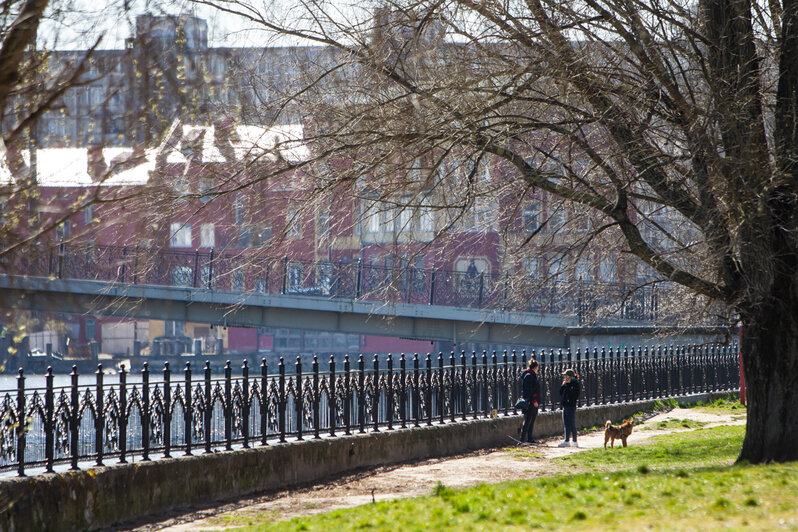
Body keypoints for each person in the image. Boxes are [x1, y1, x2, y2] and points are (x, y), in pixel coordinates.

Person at [558, 369, 581, 447]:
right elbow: (561, 392)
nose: (565, 378)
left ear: (570, 377)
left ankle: (574, 440)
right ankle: (566, 440)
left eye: (567, 376)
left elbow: (571, 394)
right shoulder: (567, 384)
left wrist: (567, 385)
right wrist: (563, 385)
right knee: (566, 423)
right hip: (565, 405)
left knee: (572, 423)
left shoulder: (575, 384)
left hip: (571, 405)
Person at [519, 359, 540, 444]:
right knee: (528, 420)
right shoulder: (529, 376)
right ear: (535, 367)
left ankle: (530, 438)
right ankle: (522, 439)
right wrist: (534, 400)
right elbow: (529, 390)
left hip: (533, 401)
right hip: (530, 402)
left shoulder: (532, 375)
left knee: (531, 420)